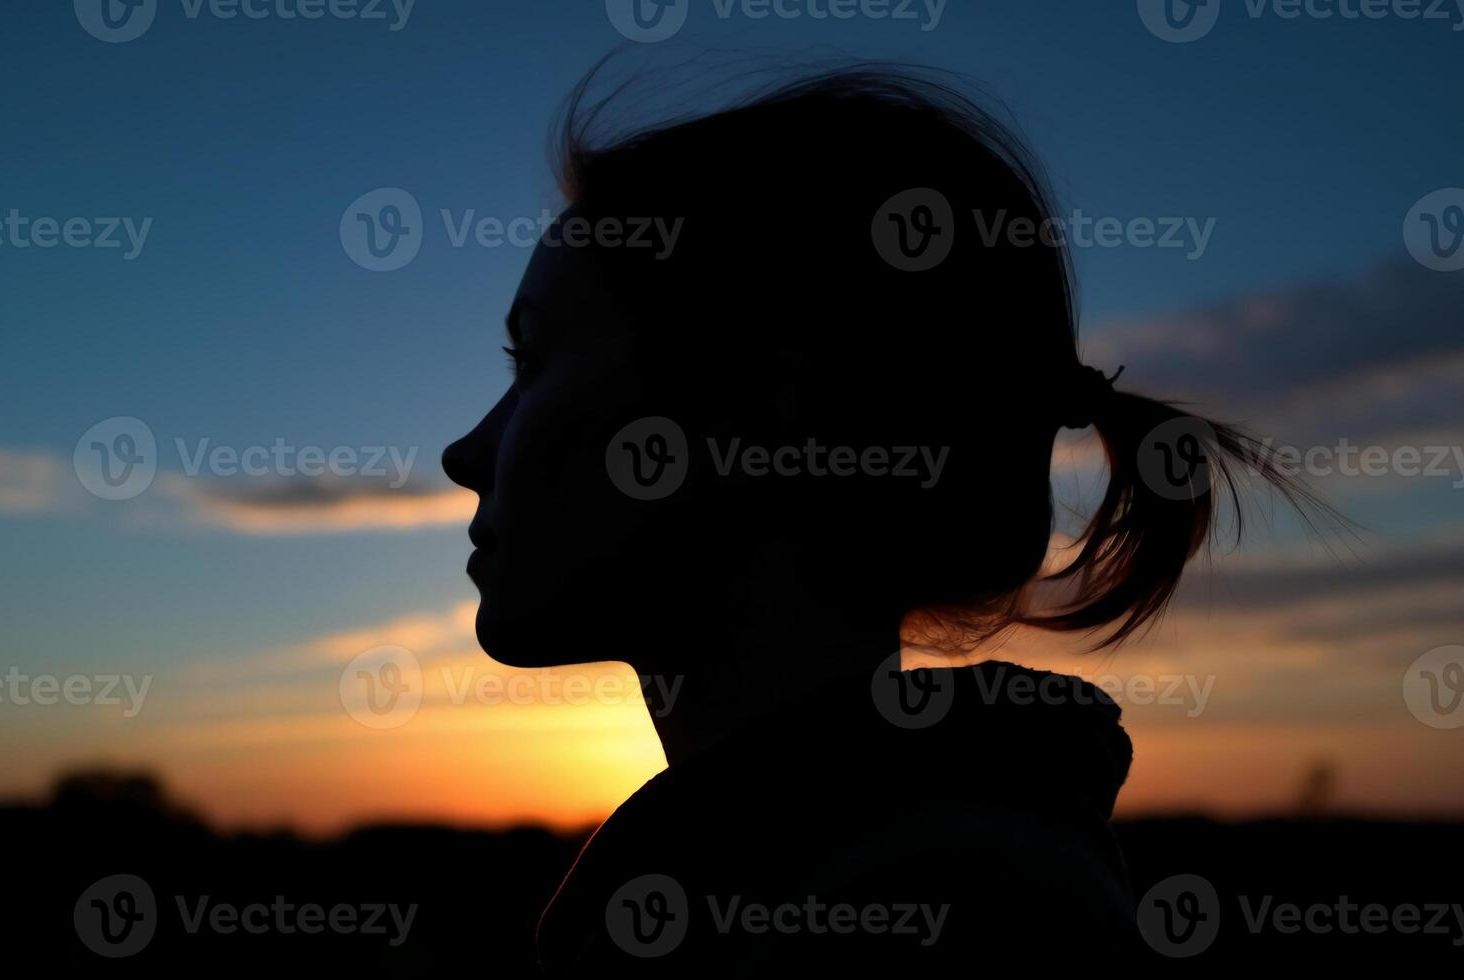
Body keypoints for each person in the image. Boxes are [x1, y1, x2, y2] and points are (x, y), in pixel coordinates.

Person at [441, 61, 1319, 973]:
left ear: (763, 412)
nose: (466, 453)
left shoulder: (947, 919)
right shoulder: (853, 866)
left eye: (532, 363)